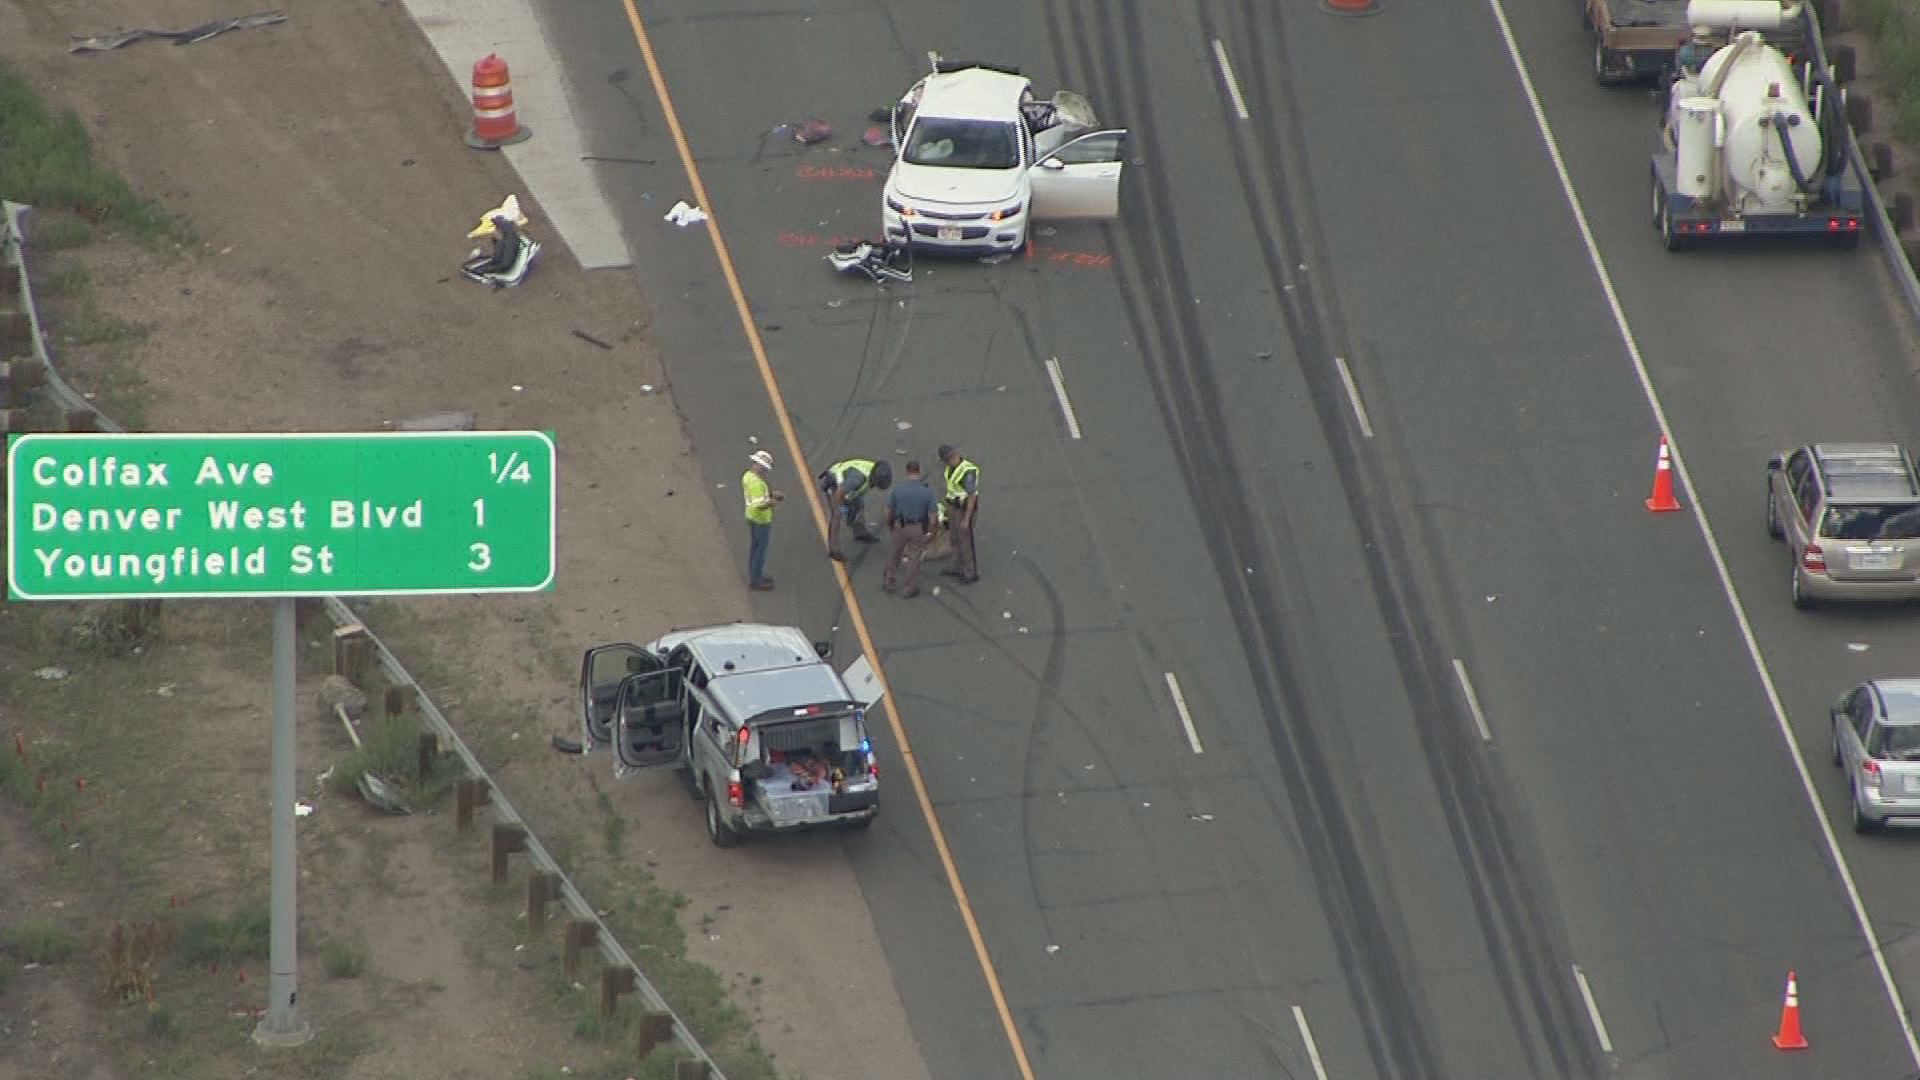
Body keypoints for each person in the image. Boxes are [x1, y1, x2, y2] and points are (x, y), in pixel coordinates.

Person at [817, 457, 893, 561]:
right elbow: (840, 491)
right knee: (837, 515)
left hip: (849, 486)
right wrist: (841, 506)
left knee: (859, 505)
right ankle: (833, 549)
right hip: (834, 483)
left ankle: (860, 532)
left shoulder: (874, 470)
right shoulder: (857, 479)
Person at [883, 460, 939, 598]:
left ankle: (889, 580)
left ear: (907, 471)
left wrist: (890, 524)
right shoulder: (927, 493)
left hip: (899, 526)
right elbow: (933, 517)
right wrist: (932, 531)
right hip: (917, 528)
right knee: (914, 558)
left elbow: (888, 511)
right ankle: (910, 588)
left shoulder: (898, 490)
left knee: (894, 553)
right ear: (918, 472)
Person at [741, 450, 784, 591]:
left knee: (755, 547)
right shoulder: (757, 484)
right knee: (761, 550)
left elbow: (756, 497)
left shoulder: (748, 476)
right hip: (761, 520)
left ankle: (755, 574)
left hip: (751, 517)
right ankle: (756, 579)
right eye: (763, 466)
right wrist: (772, 502)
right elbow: (759, 504)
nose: (764, 469)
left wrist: (770, 495)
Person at [937, 444, 980, 584]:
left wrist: (967, 519)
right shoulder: (950, 468)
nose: (949, 461)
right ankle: (958, 566)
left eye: (949, 458)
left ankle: (970, 572)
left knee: (965, 541)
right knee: (954, 538)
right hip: (953, 507)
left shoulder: (967, 472)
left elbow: (972, 496)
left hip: (964, 509)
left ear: (955, 455)